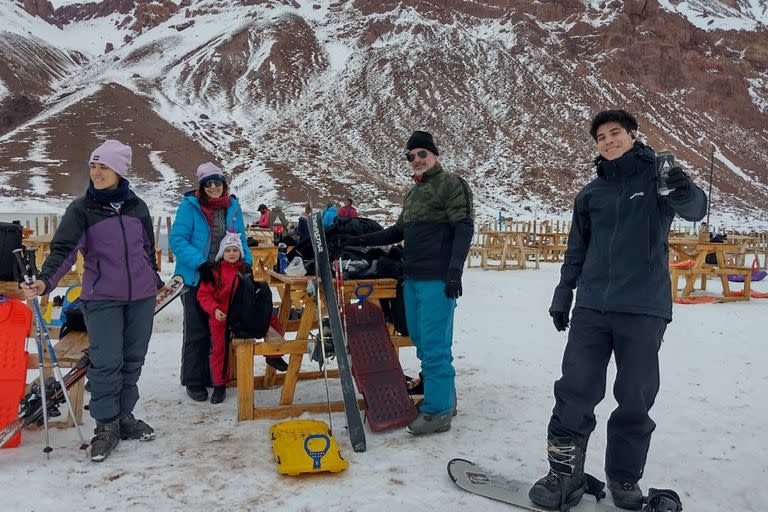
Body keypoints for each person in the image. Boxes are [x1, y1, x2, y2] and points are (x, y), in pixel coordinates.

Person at [528, 110, 707, 511]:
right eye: (601, 137)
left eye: (615, 133)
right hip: (592, 308)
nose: (608, 141)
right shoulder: (591, 193)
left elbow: (695, 209)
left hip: (643, 309)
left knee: (635, 397)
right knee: (574, 390)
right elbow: (576, 250)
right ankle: (564, 475)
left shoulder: (658, 181)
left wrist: (682, 188)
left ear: (632, 136)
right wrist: (563, 295)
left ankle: (625, 478)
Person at [20, 140, 164, 462]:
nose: (96, 172)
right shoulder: (81, 209)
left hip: (140, 298)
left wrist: (153, 279)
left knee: (132, 360)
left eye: (104, 167)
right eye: (93, 166)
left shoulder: (137, 207)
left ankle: (124, 416)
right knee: (106, 362)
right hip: (102, 299)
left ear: (119, 171)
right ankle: (106, 425)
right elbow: (64, 251)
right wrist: (45, 282)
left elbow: (146, 250)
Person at [342, 130, 473, 436]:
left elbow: (464, 227)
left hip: (436, 278)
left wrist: (454, 272)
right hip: (411, 276)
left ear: (434, 155)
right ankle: (445, 398)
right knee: (419, 337)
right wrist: (359, 239)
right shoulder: (413, 193)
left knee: (434, 344)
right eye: (411, 156)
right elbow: (396, 231)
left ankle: (437, 411)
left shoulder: (450, 184)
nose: (416, 160)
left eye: (422, 154)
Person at [169, 162, 254, 402]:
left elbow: (241, 240)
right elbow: (177, 239)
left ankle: (215, 377)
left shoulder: (233, 207)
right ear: (202, 186)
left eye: (217, 182)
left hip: (225, 278)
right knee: (197, 331)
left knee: (220, 330)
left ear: (223, 184)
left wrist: (246, 261)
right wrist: (201, 264)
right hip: (197, 276)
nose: (213, 187)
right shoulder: (190, 206)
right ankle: (194, 380)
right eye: (208, 184)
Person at [196, 232, 245, 404]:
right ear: (222, 253)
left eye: (235, 250)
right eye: (228, 250)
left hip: (240, 316)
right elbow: (203, 295)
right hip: (220, 317)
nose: (232, 253)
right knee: (219, 350)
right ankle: (219, 385)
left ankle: (274, 355)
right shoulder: (215, 271)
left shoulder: (244, 269)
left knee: (268, 320)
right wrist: (214, 309)